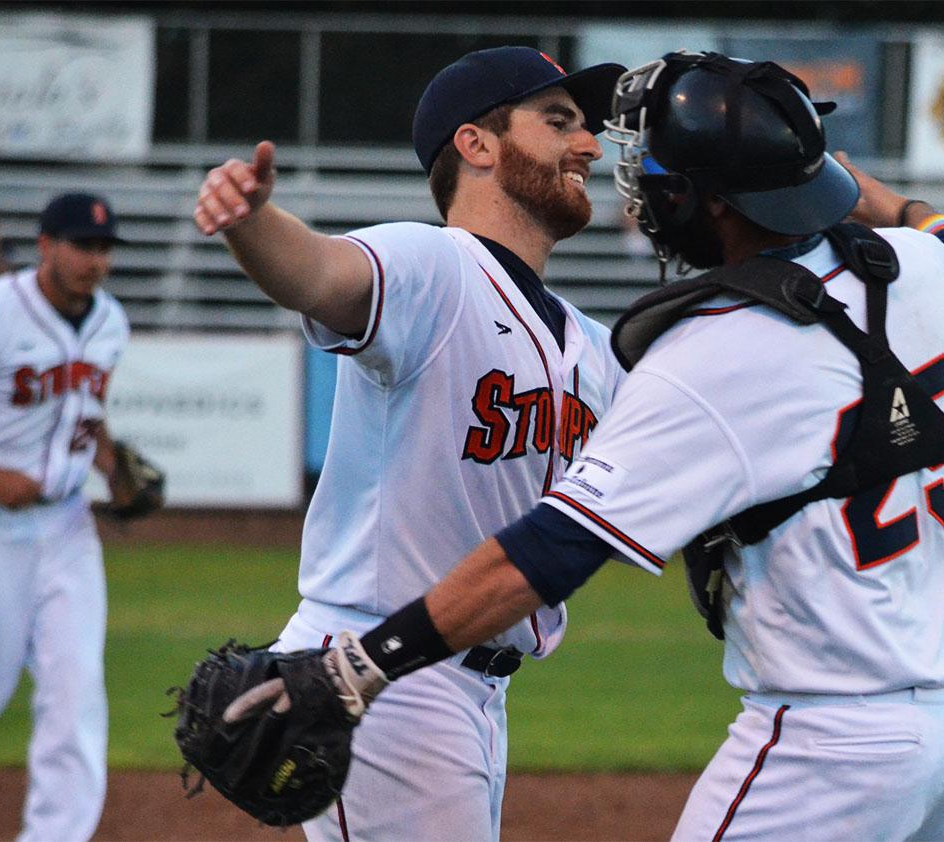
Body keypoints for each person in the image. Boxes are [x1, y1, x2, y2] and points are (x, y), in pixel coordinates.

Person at [302, 52, 944, 840]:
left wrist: (361, 666)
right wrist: (877, 197)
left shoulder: (711, 354)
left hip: (826, 748)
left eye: (659, 172)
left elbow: (552, 551)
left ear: (708, 201)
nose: (631, 178)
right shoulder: (921, 271)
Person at [193, 46, 626, 841]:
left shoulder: (592, 348)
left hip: (471, 688)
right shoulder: (436, 266)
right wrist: (253, 221)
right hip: (377, 676)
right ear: (478, 145)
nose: (590, 145)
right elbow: (322, 273)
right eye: (559, 121)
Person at [0, 192, 130, 841]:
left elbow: (86, 413)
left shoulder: (110, 321)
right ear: (46, 245)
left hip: (68, 526)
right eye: (82, 245)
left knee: (77, 698)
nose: (94, 260)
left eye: (104, 248)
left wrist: (115, 468)